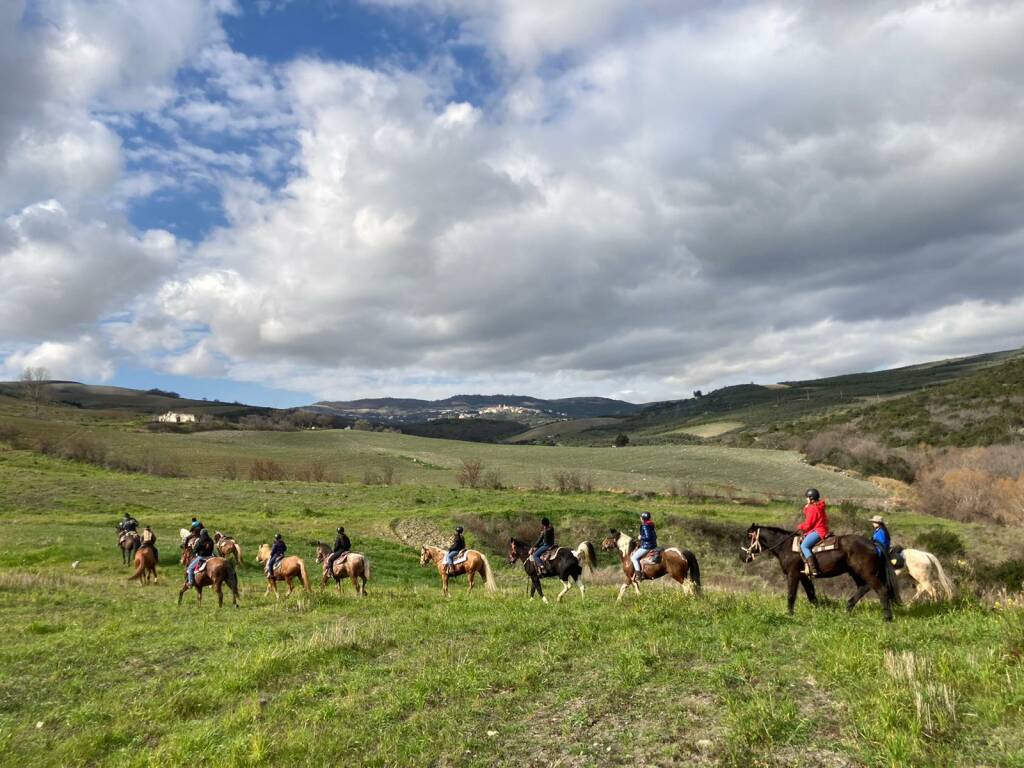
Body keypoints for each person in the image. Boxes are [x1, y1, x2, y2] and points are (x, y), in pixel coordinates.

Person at [798, 488, 830, 577]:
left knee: (804, 546)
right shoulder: (818, 506)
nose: (806, 499)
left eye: (807, 498)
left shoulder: (813, 508)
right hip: (821, 529)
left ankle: (813, 569)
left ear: (811, 498)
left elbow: (808, 524)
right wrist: (806, 507)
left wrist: (800, 527)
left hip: (818, 531)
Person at [630, 512, 658, 583]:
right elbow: (655, 536)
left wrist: (641, 537)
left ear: (643, 518)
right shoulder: (651, 524)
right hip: (653, 545)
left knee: (633, 558)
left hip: (647, 546)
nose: (640, 518)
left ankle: (639, 575)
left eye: (641, 517)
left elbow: (648, 537)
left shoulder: (645, 525)